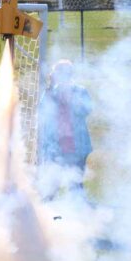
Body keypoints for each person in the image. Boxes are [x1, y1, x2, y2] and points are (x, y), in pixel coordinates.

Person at [38, 59, 93, 190]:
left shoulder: (80, 91)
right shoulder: (50, 93)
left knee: (75, 184)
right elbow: (41, 113)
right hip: (55, 147)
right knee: (50, 185)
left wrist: (71, 100)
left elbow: (87, 110)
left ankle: (77, 202)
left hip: (77, 147)